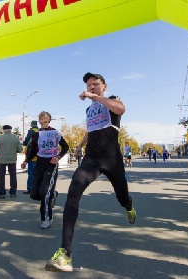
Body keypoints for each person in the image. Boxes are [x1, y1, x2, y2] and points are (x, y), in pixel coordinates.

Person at [45, 72, 136, 272]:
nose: (92, 87)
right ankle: (65, 254)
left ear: (104, 86)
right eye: (89, 85)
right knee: (73, 191)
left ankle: (129, 206)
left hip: (112, 160)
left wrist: (97, 98)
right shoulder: (90, 109)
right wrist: (79, 146)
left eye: (95, 84)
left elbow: (121, 109)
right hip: (91, 160)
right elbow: (90, 129)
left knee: (122, 197)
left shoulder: (111, 101)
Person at [21, 111, 69, 229]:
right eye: (39, 116)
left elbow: (65, 147)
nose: (41, 117)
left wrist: (57, 157)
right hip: (39, 163)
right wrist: (26, 161)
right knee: (34, 194)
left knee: (44, 192)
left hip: (50, 164)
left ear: (49, 119)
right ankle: (52, 194)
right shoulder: (36, 134)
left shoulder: (55, 133)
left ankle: (47, 219)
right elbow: (32, 150)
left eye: (43, 116)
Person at [0, 125, 23, 198]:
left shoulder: (0, 138)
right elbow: (20, 149)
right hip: (12, 159)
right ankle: (13, 192)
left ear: (3, 130)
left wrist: (1, 152)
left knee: (1, 177)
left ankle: (1, 193)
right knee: (13, 176)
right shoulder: (15, 138)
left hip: (2, 160)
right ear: (11, 129)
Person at [22, 120, 38, 194]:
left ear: (31, 125)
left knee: (31, 173)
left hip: (32, 156)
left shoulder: (31, 131)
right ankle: (37, 189)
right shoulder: (40, 131)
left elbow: (26, 142)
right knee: (38, 174)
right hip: (39, 156)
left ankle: (30, 189)